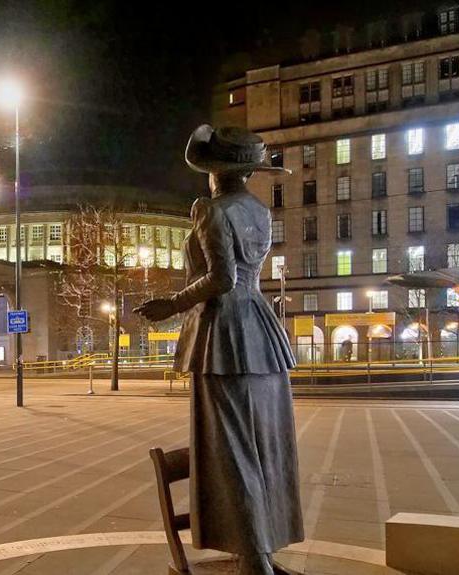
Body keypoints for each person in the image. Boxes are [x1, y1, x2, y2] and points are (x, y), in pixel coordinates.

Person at [136, 125, 302, 575]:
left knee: (232, 452)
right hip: (260, 333)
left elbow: (221, 279)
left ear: (215, 172)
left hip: (224, 336)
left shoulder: (213, 210)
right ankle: (261, 550)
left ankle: (253, 561)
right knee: (264, 446)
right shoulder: (259, 211)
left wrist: (171, 304)